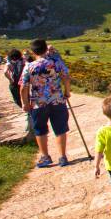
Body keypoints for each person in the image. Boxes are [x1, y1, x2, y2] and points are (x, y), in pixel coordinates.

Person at [20, 38, 72, 168]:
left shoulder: (29, 66)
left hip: (38, 103)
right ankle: (62, 157)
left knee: (40, 129)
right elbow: (66, 77)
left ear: (33, 51)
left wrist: (25, 103)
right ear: (46, 48)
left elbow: (23, 87)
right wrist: (67, 92)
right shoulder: (56, 62)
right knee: (60, 128)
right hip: (57, 100)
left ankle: (45, 157)